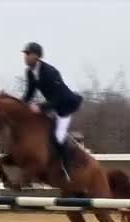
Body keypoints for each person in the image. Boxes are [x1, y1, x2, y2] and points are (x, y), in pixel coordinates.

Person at [21, 42, 83, 180]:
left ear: (36, 56)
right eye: (25, 54)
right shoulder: (30, 72)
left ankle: (68, 170)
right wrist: (19, 105)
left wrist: (40, 107)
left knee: (58, 136)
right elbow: (29, 94)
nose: (25, 57)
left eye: (28, 54)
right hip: (52, 105)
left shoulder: (50, 72)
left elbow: (58, 98)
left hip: (65, 106)